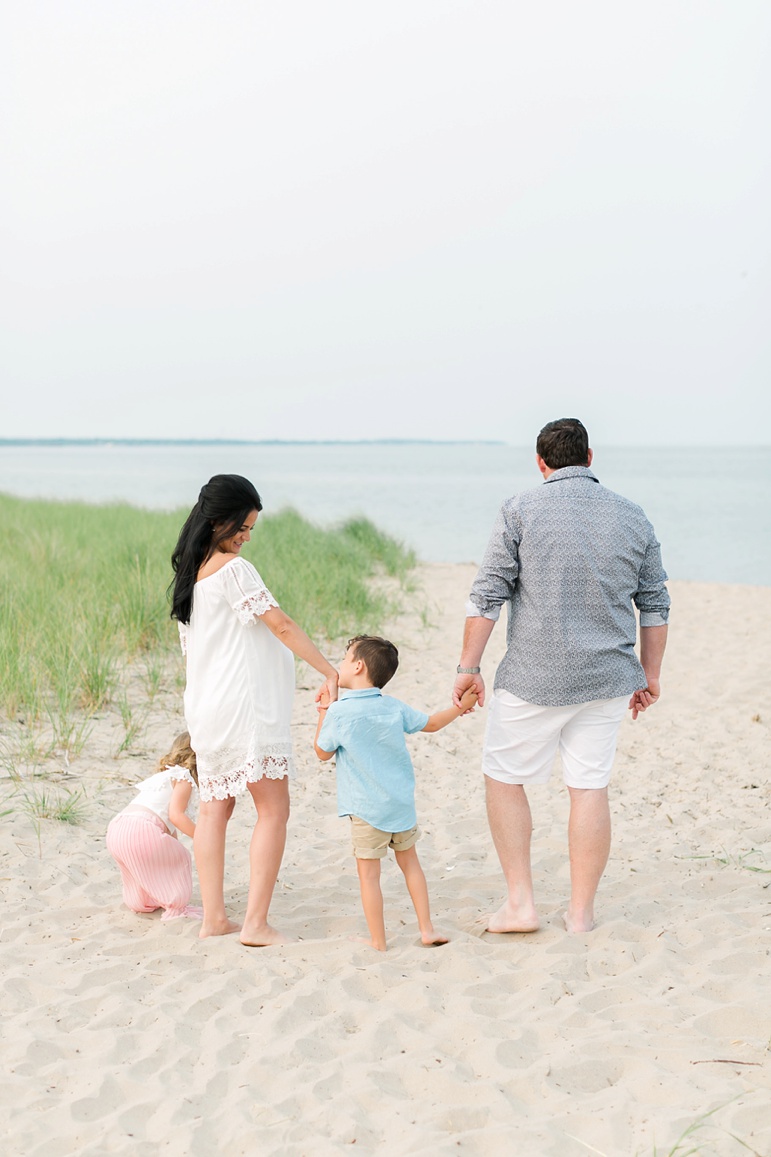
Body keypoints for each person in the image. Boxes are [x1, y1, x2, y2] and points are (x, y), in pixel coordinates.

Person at [453, 418, 670, 934]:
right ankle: (580, 914)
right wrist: (650, 674)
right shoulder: (632, 516)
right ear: (590, 458)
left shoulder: (520, 509)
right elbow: (655, 604)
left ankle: (521, 904)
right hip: (607, 678)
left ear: (541, 462)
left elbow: (487, 596)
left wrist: (468, 668)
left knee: (505, 778)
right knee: (589, 786)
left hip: (533, 676)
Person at [170, 474, 339, 943]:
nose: (246, 537)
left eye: (251, 529)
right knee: (273, 810)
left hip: (207, 708)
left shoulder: (191, 575)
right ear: (217, 521)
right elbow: (281, 626)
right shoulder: (233, 571)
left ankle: (214, 919)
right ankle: (256, 924)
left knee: (213, 812)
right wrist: (331, 672)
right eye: (241, 528)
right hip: (244, 708)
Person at [314, 634, 478, 951]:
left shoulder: (339, 713)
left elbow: (322, 752)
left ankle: (378, 940)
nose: (342, 663)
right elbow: (431, 724)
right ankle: (427, 929)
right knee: (411, 865)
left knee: (369, 877)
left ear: (358, 666)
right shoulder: (392, 707)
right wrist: (460, 709)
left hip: (365, 810)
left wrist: (324, 708)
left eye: (346, 658)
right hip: (400, 805)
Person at [106, 731, 204, 921]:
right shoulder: (184, 777)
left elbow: (167, 825)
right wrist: (202, 836)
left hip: (118, 827)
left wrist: (172, 844)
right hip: (142, 829)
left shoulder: (165, 775)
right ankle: (176, 908)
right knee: (181, 857)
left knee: (140, 867)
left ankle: (140, 902)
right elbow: (176, 816)